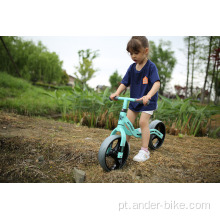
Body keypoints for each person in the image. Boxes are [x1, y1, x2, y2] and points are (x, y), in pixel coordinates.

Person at [110, 36, 160, 162]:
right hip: (134, 101)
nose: (133, 56)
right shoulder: (132, 68)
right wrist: (116, 92)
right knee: (127, 123)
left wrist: (148, 95)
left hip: (147, 101)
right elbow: (124, 82)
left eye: (136, 53)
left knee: (143, 122)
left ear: (146, 51)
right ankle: (124, 146)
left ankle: (144, 151)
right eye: (131, 53)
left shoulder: (151, 67)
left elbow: (157, 83)